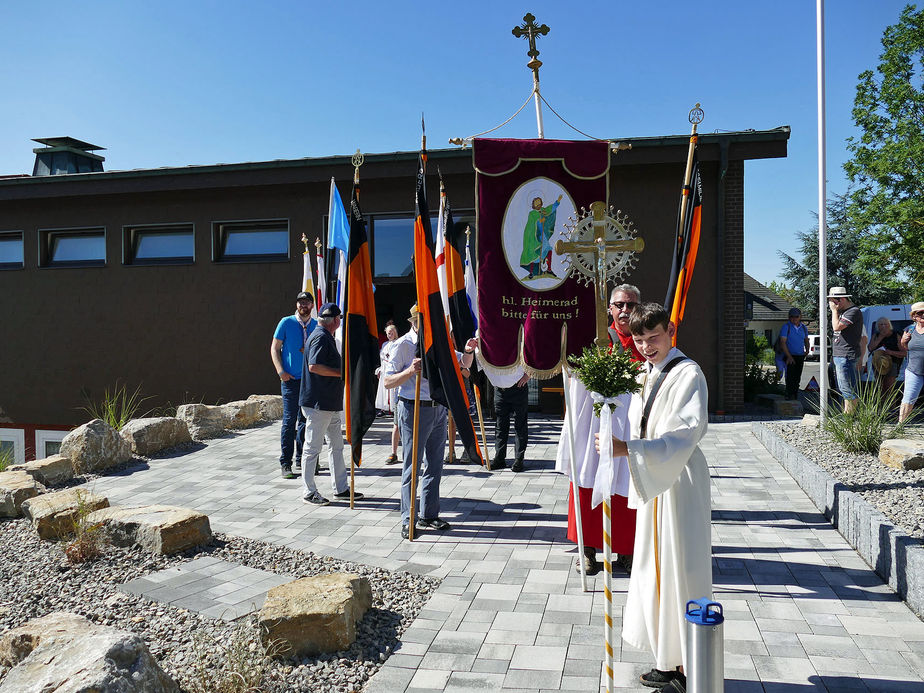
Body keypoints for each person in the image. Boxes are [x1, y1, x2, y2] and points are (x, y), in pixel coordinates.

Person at [595, 303, 711, 693]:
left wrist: (626, 449)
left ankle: (685, 666)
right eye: (640, 340)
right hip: (654, 479)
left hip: (679, 480)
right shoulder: (648, 371)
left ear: (671, 330)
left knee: (679, 569)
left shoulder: (688, 373)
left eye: (654, 337)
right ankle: (667, 658)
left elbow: (684, 433)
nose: (646, 347)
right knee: (655, 569)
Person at [384, 305, 475, 539]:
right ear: (414, 322)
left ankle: (428, 513)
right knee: (412, 466)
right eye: (420, 321)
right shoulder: (402, 345)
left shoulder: (439, 342)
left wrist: (468, 350)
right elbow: (388, 382)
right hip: (413, 407)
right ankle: (408, 518)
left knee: (435, 464)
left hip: (437, 409)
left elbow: (463, 364)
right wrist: (410, 372)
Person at [299, 303, 363, 506]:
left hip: (328, 403)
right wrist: (342, 373)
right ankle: (308, 491)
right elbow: (314, 366)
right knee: (312, 447)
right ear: (335, 320)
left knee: (336, 446)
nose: (340, 322)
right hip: (319, 404)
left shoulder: (323, 335)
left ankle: (340, 488)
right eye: (340, 319)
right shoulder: (320, 337)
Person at [271, 291, 316, 479]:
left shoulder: (316, 325)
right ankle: (286, 463)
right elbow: (274, 348)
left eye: (306, 302)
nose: (302, 305)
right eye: (300, 302)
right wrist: (281, 372)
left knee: (306, 422)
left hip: (310, 381)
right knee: (289, 422)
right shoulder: (286, 322)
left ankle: (302, 459)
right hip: (291, 381)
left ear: (312, 305)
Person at [487, 366, 530, 472]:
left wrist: (528, 375)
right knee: (500, 426)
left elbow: (532, 357)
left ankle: (519, 460)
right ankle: (499, 458)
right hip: (500, 391)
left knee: (520, 426)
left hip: (518, 388)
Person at [829, 287, 863, 413]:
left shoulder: (853, 311)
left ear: (841, 299)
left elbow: (837, 327)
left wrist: (834, 311)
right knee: (846, 388)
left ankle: (849, 418)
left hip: (846, 355)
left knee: (847, 388)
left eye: (834, 301)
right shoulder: (844, 312)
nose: (832, 304)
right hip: (840, 355)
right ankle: (851, 415)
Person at [519, 194, 562, 279]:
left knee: (548, 249)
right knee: (534, 253)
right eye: (536, 204)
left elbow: (550, 210)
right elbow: (531, 225)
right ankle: (531, 272)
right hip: (534, 237)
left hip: (543, 235)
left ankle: (549, 269)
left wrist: (557, 202)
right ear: (534, 205)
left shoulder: (543, 210)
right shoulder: (532, 214)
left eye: (539, 203)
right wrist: (540, 221)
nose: (538, 205)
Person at [375, 321, 401, 464]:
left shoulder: (401, 343)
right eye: (388, 333)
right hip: (386, 374)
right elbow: (382, 359)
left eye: (392, 332)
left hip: (397, 378)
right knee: (396, 423)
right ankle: (394, 453)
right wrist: (380, 369)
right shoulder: (385, 345)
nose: (390, 335)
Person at [868, 316, 905, 398]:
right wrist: (880, 337)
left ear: (890, 325)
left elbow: (904, 352)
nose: (884, 326)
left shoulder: (896, 335)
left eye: (886, 324)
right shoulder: (876, 335)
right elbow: (870, 348)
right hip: (878, 363)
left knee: (889, 388)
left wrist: (890, 352)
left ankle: (891, 408)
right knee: (880, 387)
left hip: (893, 363)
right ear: (878, 326)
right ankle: (881, 407)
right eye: (881, 324)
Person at [900, 301, 924, 423]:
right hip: (914, 370)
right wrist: (903, 341)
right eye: (920, 313)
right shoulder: (910, 329)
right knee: (908, 399)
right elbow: (905, 348)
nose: (923, 315)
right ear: (914, 316)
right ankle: (900, 426)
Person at [778, 307, 809, 400]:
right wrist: (789, 356)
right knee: (790, 377)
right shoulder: (786, 327)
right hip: (789, 355)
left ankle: (795, 395)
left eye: (796, 316)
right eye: (792, 316)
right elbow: (782, 342)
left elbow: (806, 340)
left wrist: (807, 350)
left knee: (797, 377)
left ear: (800, 317)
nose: (794, 318)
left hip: (800, 355)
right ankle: (789, 395)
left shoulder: (803, 327)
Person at [607, 284, 644, 361]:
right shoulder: (602, 338)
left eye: (631, 305)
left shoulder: (649, 337)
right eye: (620, 305)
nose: (625, 309)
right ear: (611, 309)